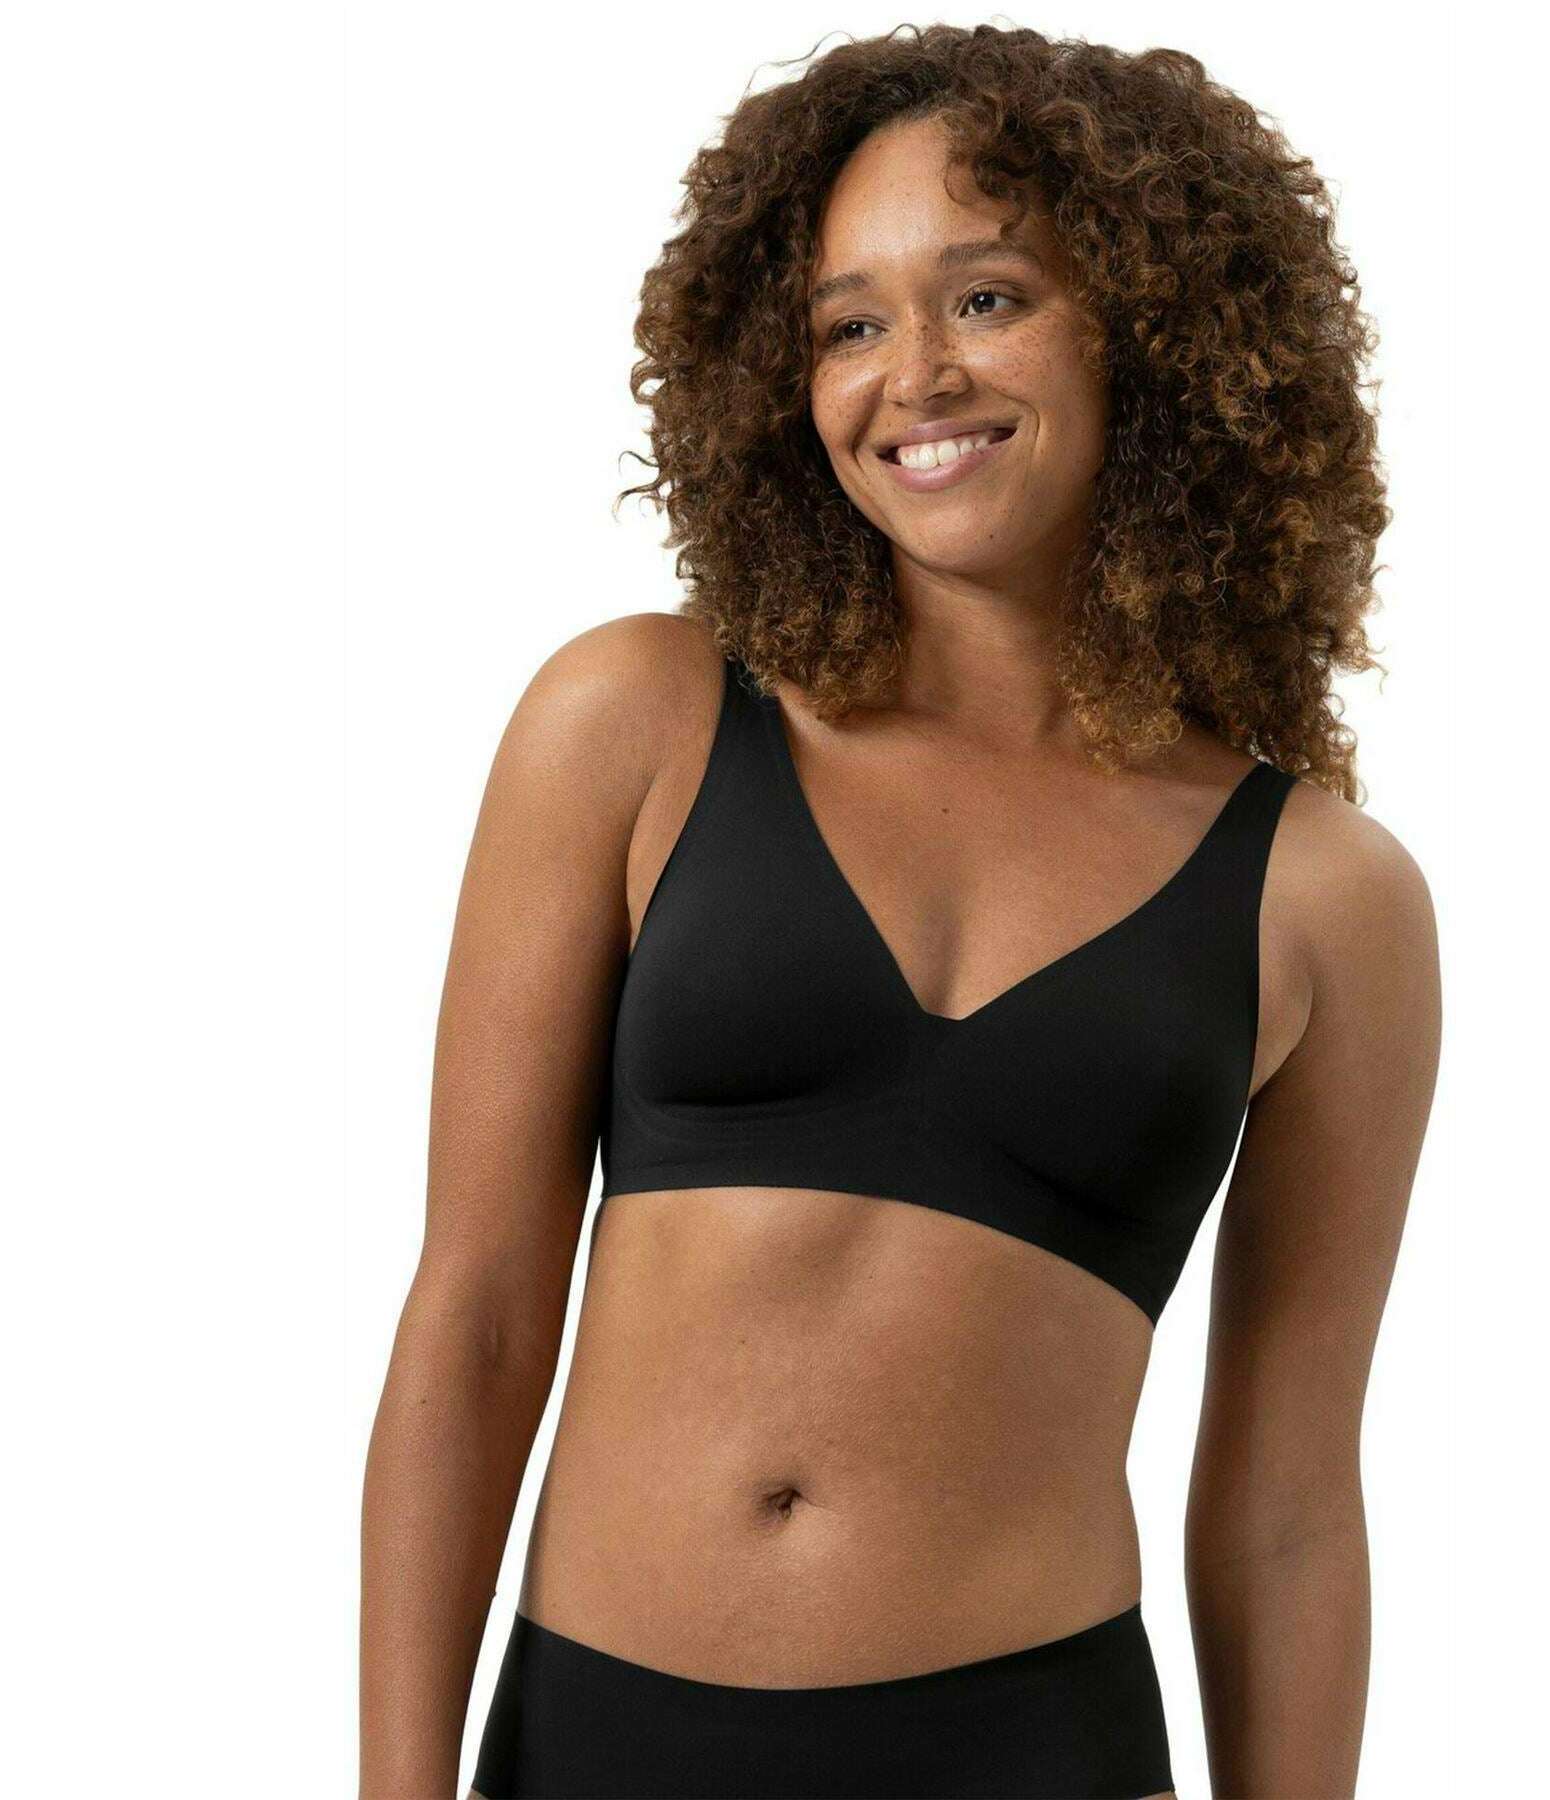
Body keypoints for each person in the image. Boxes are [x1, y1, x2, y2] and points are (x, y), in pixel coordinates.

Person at [360, 23, 1440, 1799]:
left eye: (987, 299)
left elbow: (1289, 1502)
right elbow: (475, 1311)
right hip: (599, 1749)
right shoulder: (638, 724)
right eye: (848, 326)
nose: (914, 376)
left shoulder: (1324, 897)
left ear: (1155, 331)